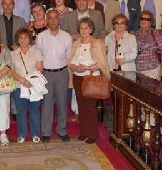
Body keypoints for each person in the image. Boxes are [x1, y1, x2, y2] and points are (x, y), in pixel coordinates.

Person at [68, 17, 110, 144]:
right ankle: (83, 132)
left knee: (90, 107)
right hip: (77, 78)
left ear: (91, 29)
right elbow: (70, 62)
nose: (84, 30)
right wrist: (74, 66)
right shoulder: (75, 44)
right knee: (80, 107)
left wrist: (86, 67)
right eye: (81, 28)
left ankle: (92, 134)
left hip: (91, 78)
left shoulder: (97, 43)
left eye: (86, 27)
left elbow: (102, 64)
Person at [35, 9, 73, 143]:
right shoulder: (41, 37)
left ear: (59, 20)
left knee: (62, 103)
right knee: (46, 103)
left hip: (62, 73)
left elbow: (69, 56)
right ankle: (46, 131)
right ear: (46, 20)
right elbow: (38, 56)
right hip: (46, 73)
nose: (52, 20)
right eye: (50, 18)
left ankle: (62, 130)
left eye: (55, 18)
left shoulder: (66, 37)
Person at [11, 28, 43, 143]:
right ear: (17, 40)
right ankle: (22, 134)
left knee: (34, 111)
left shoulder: (36, 52)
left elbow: (39, 69)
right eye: (21, 37)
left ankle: (35, 133)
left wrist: (30, 81)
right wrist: (22, 80)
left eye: (26, 37)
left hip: (34, 86)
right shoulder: (13, 54)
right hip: (19, 86)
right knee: (21, 111)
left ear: (30, 39)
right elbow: (12, 71)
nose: (23, 39)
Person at [135, 10, 162, 80]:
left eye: (147, 19)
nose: (143, 21)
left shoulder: (155, 33)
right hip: (137, 70)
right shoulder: (135, 34)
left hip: (152, 70)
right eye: (142, 18)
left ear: (151, 22)